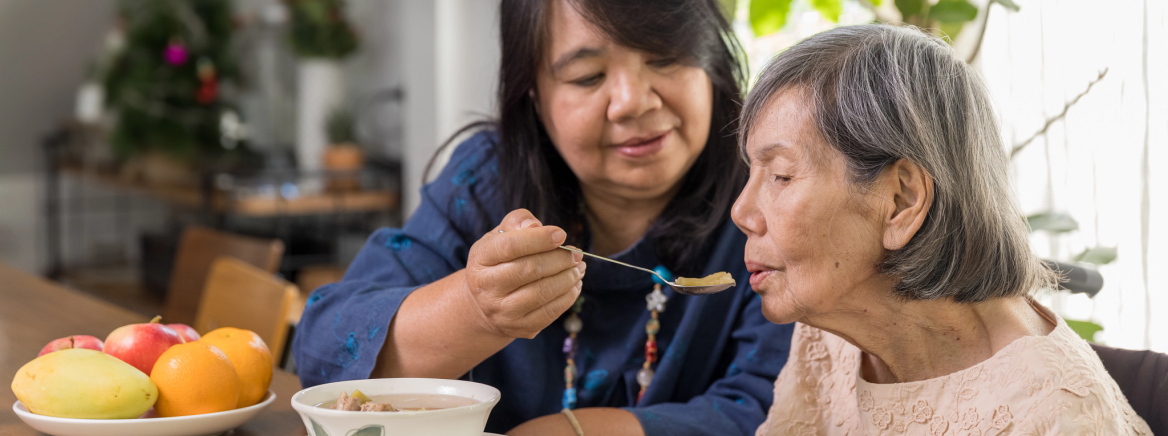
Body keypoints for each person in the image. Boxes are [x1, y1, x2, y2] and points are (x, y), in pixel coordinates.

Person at [291, 0, 794, 435]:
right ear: (533, 93)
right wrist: (476, 309)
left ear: (710, 60)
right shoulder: (486, 182)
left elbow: (783, 407)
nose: (632, 102)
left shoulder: (769, 198)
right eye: (588, 76)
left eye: (665, 57)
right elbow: (323, 353)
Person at [732, 24, 1151, 435]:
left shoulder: (1052, 419)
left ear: (901, 201)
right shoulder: (832, 333)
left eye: (781, 176)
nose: (741, 212)